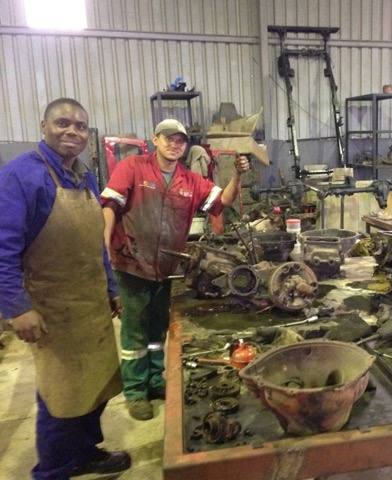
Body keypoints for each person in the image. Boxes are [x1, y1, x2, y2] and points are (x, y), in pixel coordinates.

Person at [0, 98, 131, 479]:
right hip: (52, 310)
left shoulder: (84, 176)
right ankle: (54, 469)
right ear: (43, 126)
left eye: (80, 126)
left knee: (94, 388)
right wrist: (17, 308)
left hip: (91, 306)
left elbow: (94, 242)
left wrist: (111, 287)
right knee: (60, 397)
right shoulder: (20, 176)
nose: (72, 131)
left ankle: (85, 454)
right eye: (62, 123)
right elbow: (3, 249)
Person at [101, 119, 250, 420]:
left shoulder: (190, 180)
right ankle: (136, 392)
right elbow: (109, 206)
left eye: (180, 140)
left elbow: (222, 200)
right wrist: (102, 252)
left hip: (166, 269)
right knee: (135, 331)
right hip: (131, 264)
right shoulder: (132, 167)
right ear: (155, 139)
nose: (174, 144)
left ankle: (155, 381)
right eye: (168, 138)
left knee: (158, 329)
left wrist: (237, 175)